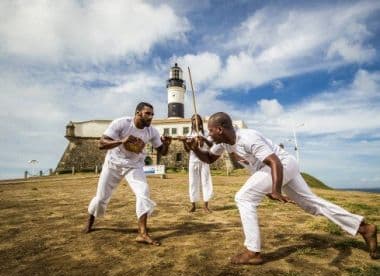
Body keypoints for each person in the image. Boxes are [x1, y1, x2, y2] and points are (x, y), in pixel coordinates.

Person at [186, 112, 378, 264]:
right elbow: (209, 159)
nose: (208, 134)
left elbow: (274, 162)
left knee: (243, 198)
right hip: (281, 167)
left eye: (210, 131)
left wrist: (275, 190)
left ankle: (253, 252)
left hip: (282, 165)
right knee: (312, 205)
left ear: (219, 129)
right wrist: (195, 149)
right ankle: (364, 228)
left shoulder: (248, 137)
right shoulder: (225, 144)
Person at [84, 102, 171, 246]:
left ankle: (142, 233)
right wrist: (121, 141)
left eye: (152, 114)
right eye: (147, 114)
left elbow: (163, 151)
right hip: (113, 164)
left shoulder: (152, 131)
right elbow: (101, 143)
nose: (151, 117)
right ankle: (90, 220)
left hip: (134, 166)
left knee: (143, 193)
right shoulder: (122, 123)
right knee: (101, 198)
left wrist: (167, 144)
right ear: (138, 113)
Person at [182, 114, 213, 213]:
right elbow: (188, 150)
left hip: (204, 159)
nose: (195, 121)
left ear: (200, 121)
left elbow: (211, 145)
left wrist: (204, 139)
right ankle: (193, 205)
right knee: (193, 182)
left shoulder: (206, 133)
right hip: (193, 160)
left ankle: (205, 205)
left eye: (197, 119)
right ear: (191, 122)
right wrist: (184, 142)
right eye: (193, 119)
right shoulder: (189, 134)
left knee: (206, 181)